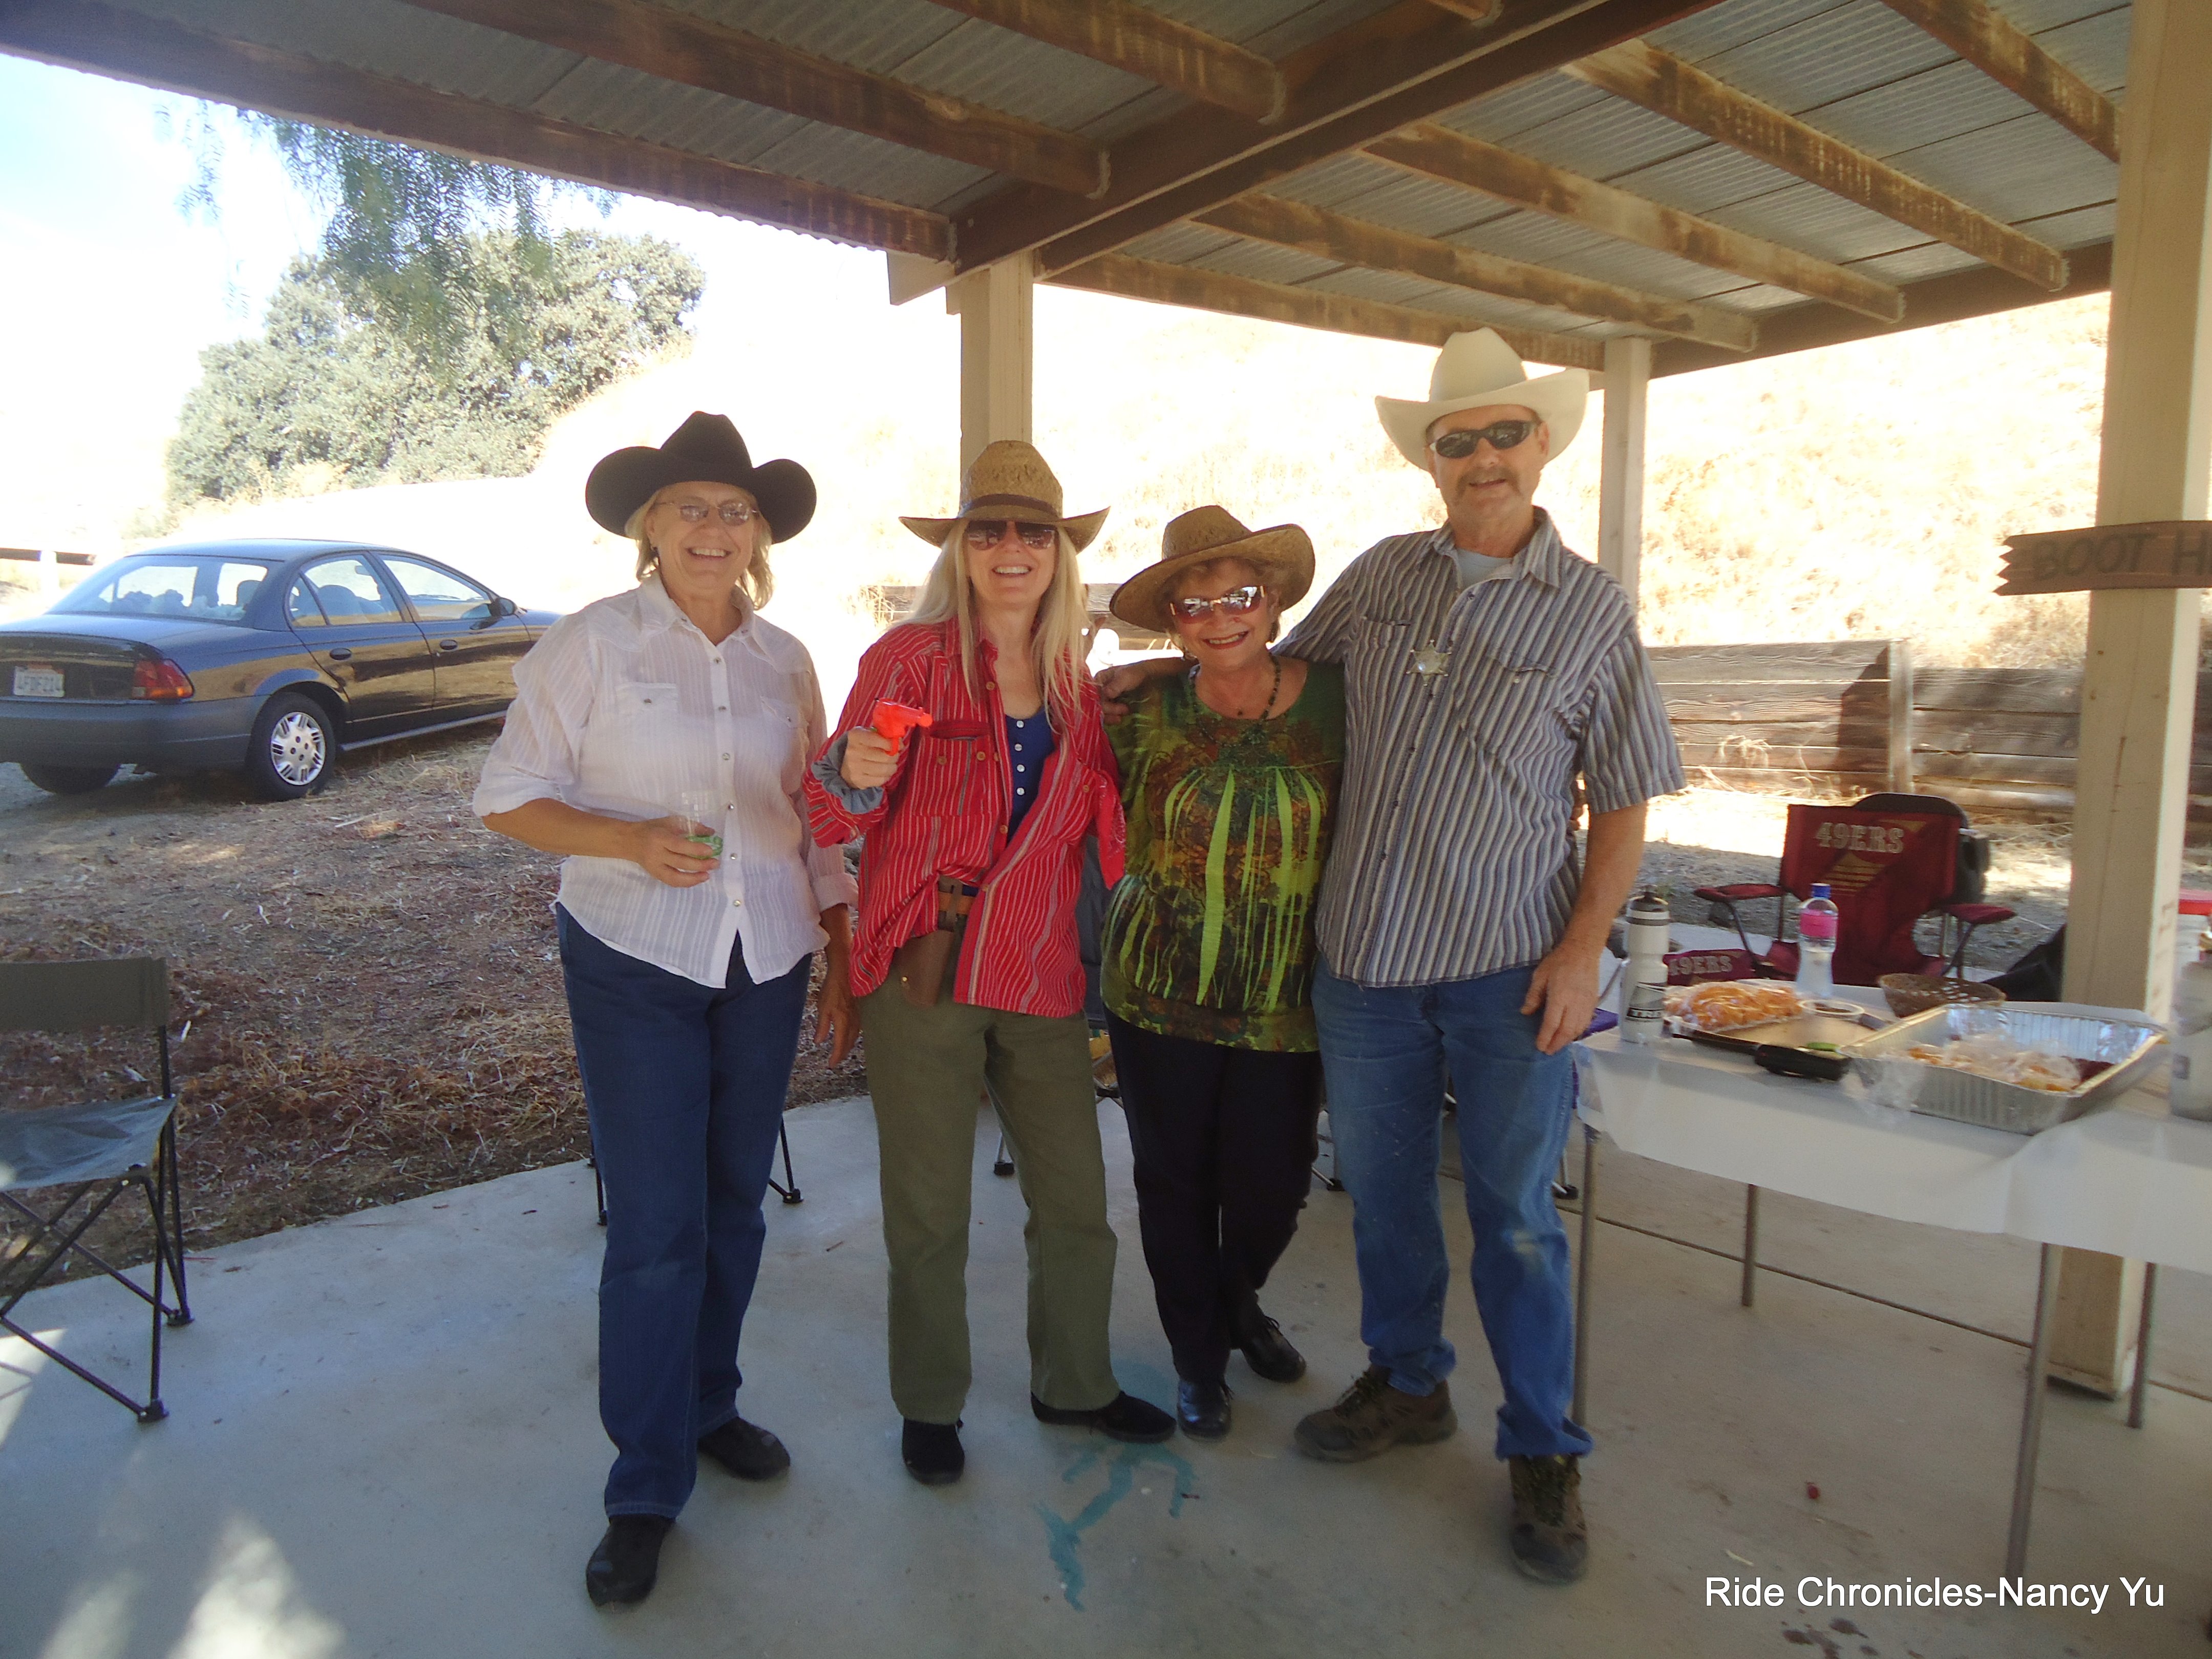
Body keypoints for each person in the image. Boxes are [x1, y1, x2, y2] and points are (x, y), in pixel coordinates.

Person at [1103, 330, 1684, 1582]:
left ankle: (1543, 1447)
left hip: (1510, 965)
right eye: (1457, 439)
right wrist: (1167, 664)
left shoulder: (1592, 610)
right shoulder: (1378, 580)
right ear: (1432, 458)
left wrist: (1584, 951)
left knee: (1515, 1220)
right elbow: (1272, 664)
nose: (1483, 457)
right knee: (1385, 1199)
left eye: (1504, 434)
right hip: (1364, 965)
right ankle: (1410, 1380)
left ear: (1543, 443)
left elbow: (1629, 793)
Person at [475, 412, 858, 1607]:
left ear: (760, 536)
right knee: (656, 1226)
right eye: (690, 506)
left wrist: (843, 947)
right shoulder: (590, 642)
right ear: (650, 524)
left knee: (735, 1203)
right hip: (634, 958)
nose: (714, 528)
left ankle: (708, 1404)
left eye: (736, 511)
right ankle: (644, 1485)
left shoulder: (785, 659)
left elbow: (816, 811)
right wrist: (628, 840)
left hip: (768, 954)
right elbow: (507, 797)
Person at [804, 439, 1173, 1486]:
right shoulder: (908, 659)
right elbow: (831, 807)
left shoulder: (1074, 684)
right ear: (960, 549)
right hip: (921, 967)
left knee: (1076, 1199)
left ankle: (1076, 1384)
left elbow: (1105, 818)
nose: (1012, 548)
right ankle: (930, 1404)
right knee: (929, 1209)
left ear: (1060, 552)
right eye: (989, 530)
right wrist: (852, 769)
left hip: (1039, 967)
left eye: (1034, 532)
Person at [1099, 506, 1345, 1441]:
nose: (1220, 617)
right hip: (1156, 988)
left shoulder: (1339, 700)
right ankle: (1198, 1358)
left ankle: (1238, 1302)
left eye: (1238, 596)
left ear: (1273, 602)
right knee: (1173, 1185)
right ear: (1173, 624)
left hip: (1287, 998)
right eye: (1193, 606)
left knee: (1273, 1188)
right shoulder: (1138, 709)